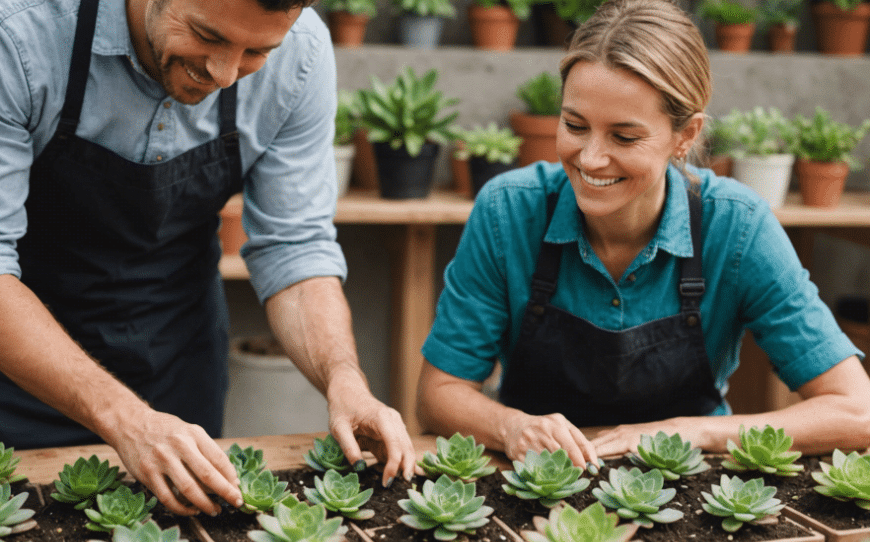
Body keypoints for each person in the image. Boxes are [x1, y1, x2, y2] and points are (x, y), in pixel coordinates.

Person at [0, 0, 416, 515]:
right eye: (207, 35)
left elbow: (295, 248)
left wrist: (343, 378)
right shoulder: (20, 36)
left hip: (177, 361)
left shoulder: (302, 53)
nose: (223, 74)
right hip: (17, 371)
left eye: (256, 51)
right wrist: (126, 420)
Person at [417, 0, 870, 469]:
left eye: (624, 137)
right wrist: (511, 427)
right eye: (574, 125)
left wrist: (690, 431)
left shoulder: (736, 226)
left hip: (695, 483)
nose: (590, 158)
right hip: (536, 479)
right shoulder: (507, 212)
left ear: (685, 135)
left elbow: (857, 411)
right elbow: (437, 395)